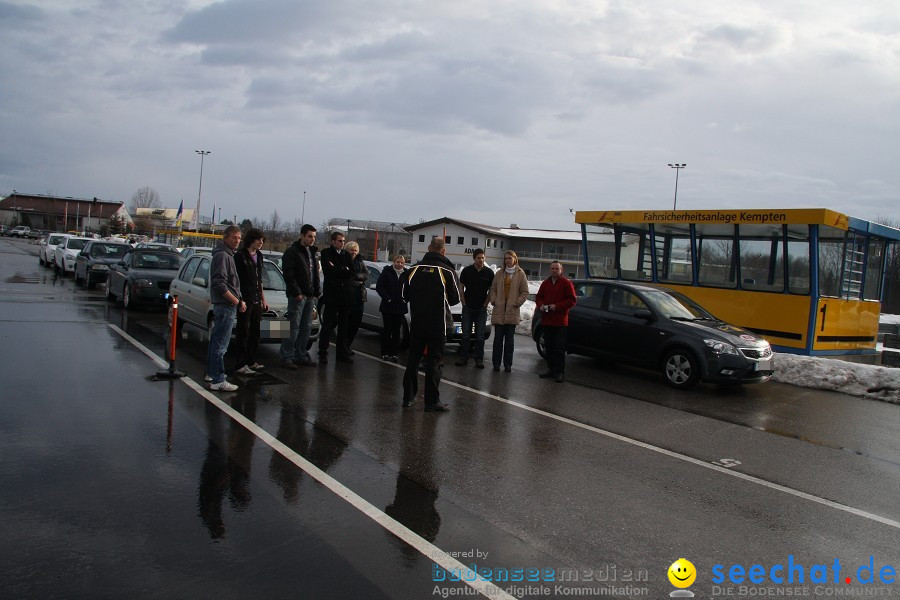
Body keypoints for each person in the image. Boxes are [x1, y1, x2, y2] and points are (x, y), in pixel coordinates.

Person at [401, 237, 460, 412]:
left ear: (428, 248)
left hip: (418, 323)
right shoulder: (448, 271)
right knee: (434, 363)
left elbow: (404, 294)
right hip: (438, 325)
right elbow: (455, 298)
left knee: (413, 361)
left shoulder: (413, 269)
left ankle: (408, 397)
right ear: (443, 251)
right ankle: (431, 402)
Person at [207, 225, 245, 392]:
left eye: (239, 238)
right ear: (225, 238)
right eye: (233, 238)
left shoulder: (227, 254)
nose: (237, 241)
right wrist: (236, 301)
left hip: (227, 306)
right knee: (221, 344)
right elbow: (219, 284)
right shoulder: (223, 255)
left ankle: (211, 373)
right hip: (225, 306)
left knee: (216, 342)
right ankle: (218, 378)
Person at [279, 224, 320, 369]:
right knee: (292, 327)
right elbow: (289, 275)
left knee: (306, 327)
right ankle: (286, 357)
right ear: (302, 235)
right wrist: (296, 292)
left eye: (314, 237)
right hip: (298, 296)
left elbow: (315, 275)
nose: (312, 239)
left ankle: (301, 355)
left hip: (310, 296)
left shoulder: (313, 253)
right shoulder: (293, 252)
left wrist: (316, 293)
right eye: (309, 236)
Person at [233, 228, 268, 375]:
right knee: (243, 331)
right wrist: (239, 299)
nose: (261, 243)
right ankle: (240, 363)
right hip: (244, 298)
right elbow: (235, 279)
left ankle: (251, 360)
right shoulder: (240, 256)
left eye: (262, 240)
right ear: (251, 240)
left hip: (256, 298)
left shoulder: (259, 256)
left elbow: (259, 279)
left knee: (256, 331)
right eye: (258, 239)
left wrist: (262, 299)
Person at [488, 250, 529, 373]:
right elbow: (493, 288)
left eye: (510, 258)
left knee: (509, 341)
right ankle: (496, 364)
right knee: (498, 340)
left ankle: (508, 364)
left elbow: (524, 291)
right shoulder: (500, 273)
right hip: (500, 310)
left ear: (515, 259)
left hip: (512, 311)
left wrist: (517, 302)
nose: (507, 261)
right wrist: (494, 300)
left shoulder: (520, 274)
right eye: (506, 259)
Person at [536, 261, 577, 383]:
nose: (554, 271)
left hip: (559, 322)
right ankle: (551, 370)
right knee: (549, 347)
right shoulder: (546, 283)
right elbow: (539, 297)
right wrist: (541, 306)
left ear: (561, 270)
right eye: (552, 268)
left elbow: (572, 300)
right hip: (547, 321)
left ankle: (560, 372)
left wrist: (556, 306)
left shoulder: (566, 283)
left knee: (559, 348)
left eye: (557, 269)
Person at [318, 230, 355, 363]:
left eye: (343, 241)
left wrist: (340, 269)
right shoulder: (326, 253)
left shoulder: (346, 255)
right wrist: (342, 269)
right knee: (328, 325)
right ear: (333, 241)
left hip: (345, 296)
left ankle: (341, 352)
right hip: (332, 295)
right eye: (340, 241)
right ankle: (323, 352)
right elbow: (328, 271)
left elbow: (352, 272)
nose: (342, 243)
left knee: (343, 326)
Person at [455, 248, 494, 369]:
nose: (481, 260)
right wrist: (463, 302)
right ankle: (463, 358)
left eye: (483, 258)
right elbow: (461, 286)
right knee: (466, 335)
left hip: (481, 309)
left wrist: (486, 303)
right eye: (478, 258)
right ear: (474, 258)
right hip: (468, 308)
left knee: (479, 336)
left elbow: (491, 290)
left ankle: (479, 359)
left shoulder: (489, 273)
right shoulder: (467, 271)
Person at [376, 254, 408, 362]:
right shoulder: (387, 272)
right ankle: (385, 353)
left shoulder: (406, 274)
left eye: (402, 262)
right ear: (393, 262)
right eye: (397, 262)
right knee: (387, 330)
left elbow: (410, 289)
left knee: (396, 331)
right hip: (387, 306)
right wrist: (388, 298)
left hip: (400, 307)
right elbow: (379, 286)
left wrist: (405, 299)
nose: (399, 264)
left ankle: (394, 353)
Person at [344, 241, 369, 353]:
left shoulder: (360, 262)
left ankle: (348, 345)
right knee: (346, 324)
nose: (353, 252)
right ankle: (343, 346)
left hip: (359, 298)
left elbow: (366, 275)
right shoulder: (344, 261)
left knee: (355, 324)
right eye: (351, 250)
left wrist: (357, 277)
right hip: (348, 297)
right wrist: (355, 279)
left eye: (355, 250)